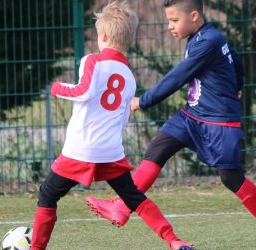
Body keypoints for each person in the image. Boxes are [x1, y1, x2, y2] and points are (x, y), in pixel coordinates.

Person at [86, 0, 256, 248]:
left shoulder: (209, 41)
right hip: (191, 116)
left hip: (219, 122)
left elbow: (178, 77)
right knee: (158, 148)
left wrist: (144, 101)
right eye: (169, 20)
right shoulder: (204, 37)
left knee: (231, 177)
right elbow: (235, 58)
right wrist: (238, 83)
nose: (170, 26)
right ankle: (122, 207)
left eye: (174, 21)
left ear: (194, 16)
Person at [30, 1, 195, 249]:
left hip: (81, 149)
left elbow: (82, 91)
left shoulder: (92, 61)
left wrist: (56, 88)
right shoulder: (129, 75)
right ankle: (174, 239)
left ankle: (36, 248)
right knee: (134, 198)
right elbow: (123, 115)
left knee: (47, 194)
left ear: (103, 36)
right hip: (110, 151)